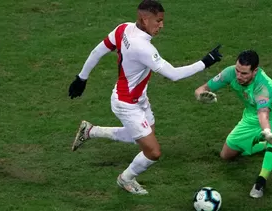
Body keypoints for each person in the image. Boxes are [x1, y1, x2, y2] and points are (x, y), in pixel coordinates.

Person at [68, 0, 222, 195]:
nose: (161, 26)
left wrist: (81, 78)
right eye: (158, 21)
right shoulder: (143, 48)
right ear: (144, 19)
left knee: (142, 138)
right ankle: (126, 179)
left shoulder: (123, 28)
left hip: (137, 97)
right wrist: (205, 62)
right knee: (153, 152)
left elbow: (98, 51)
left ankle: (91, 131)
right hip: (126, 104)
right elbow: (173, 74)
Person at [194, 50, 272, 198]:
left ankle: (261, 181)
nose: (239, 76)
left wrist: (266, 130)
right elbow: (201, 89)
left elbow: (263, 113)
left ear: (255, 71)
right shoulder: (230, 73)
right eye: (237, 71)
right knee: (226, 155)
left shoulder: (263, 87)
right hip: (250, 118)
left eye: (244, 73)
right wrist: (200, 96)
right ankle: (264, 144)